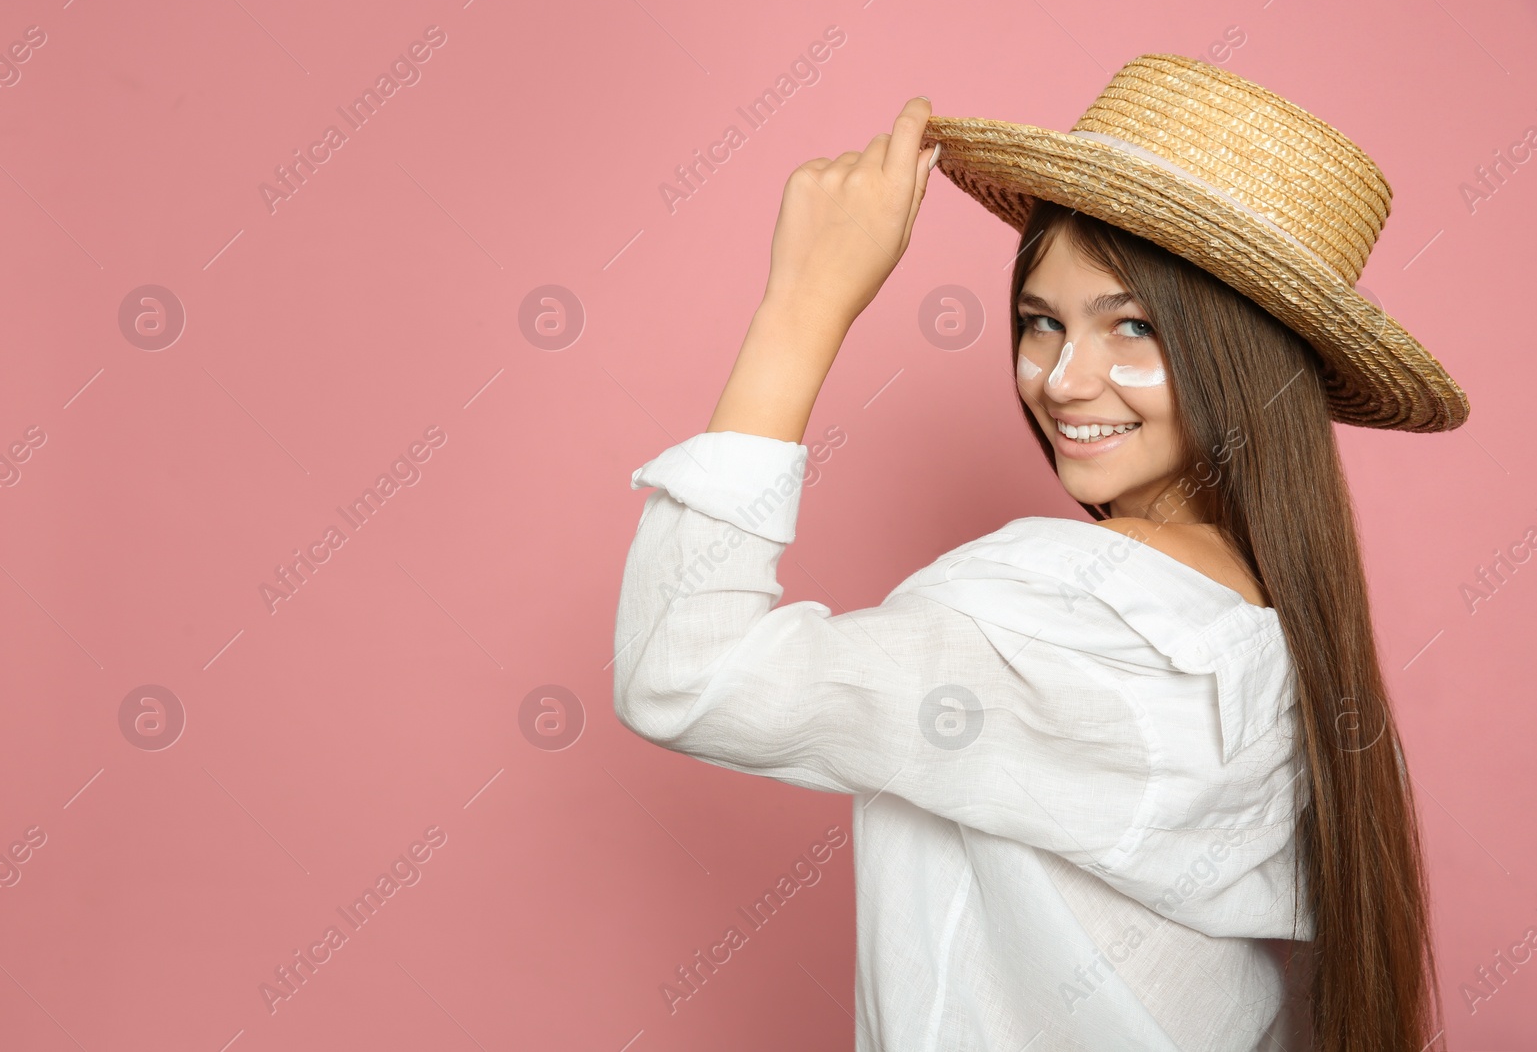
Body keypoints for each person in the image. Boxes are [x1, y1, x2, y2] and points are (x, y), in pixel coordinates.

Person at [613, 53, 1467, 1051]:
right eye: (1040, 323)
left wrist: (801, 307)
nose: (1064, 379)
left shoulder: (1056, 617)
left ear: (1242, 362)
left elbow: (683, 669)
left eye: (1133, 327)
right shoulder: (1301, 664)